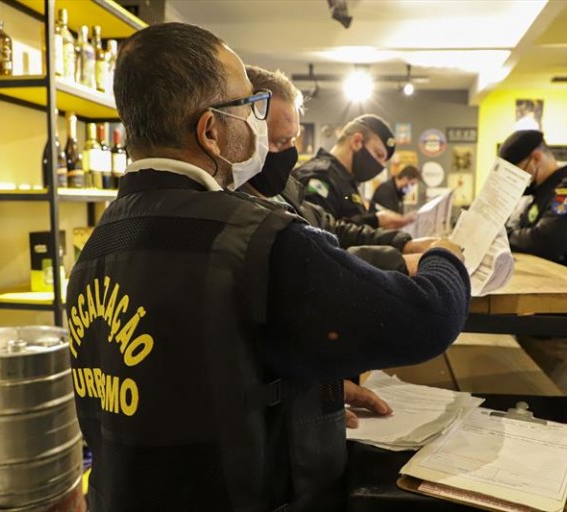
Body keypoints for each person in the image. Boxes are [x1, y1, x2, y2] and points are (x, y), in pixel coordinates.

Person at [66, 23, 470, 512]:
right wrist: (444, 255)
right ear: (211, 131)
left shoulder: (98, 244)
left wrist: (304, 387)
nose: (259, 124)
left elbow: (182, 374)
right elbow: (427, 319)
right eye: (250, 107)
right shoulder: (254, 237)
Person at [244, 65, 434, 275]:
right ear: (357, 141)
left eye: (293, 140)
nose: (290, 153)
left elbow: (332, 230)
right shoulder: (317, 177)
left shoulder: (288, 188)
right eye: (280, 141)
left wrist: (404, 244)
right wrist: (399, 259)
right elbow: (313, 256)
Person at [499, 130, 567, 394]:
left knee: (542, 409)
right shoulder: (543, 193)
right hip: (541, 322)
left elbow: (546, 242)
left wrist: (504, 235)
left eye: (520, 172)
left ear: (536, 158)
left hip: (562, 330)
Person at [294, 114, 414, 229]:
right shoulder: (320, 177)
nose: (380, 166)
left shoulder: (346, 182)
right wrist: (375, 221)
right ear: (357, 141)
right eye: (378, 154)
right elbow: (322, 233)